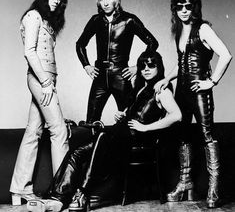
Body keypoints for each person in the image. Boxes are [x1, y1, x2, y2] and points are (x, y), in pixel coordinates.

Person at [26, 50, 182, 212]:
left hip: (137, 139)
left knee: (101, 136)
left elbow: (177, 115)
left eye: (151, 65)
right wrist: (124, 114)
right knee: (78, 151)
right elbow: (139, 112)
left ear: (159, 67)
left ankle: (82, 193)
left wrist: (145, 127)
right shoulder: (141, 88)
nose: (146, 69)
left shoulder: (162, 90)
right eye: (142, 66)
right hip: (121, 135)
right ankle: (56, 199)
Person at [154, 0, 232, 208]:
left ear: (194, 7)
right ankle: (185, 183)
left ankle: (213, 188)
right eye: (179, 7)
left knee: (207, 135)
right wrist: (167, 79)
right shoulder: (179, 29)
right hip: (182, 90)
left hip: (200, 91)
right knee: (182, 134)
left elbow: (226, 55)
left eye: (188, 6)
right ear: (175, 9)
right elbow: (182, 64)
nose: (184, 11)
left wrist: (212, 81)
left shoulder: (203, 28)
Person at [10, 0, 69, 205]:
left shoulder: (46, 20)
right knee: (59, 130)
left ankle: (19, 189)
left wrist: (49, 80)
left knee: (33, 131)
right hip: (40, 79)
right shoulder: (33, 16)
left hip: (46, 79)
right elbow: (30, 52)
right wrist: (45, 82)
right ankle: (62, 189)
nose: (57, 1)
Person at [76, 0, 159, 123]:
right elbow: (80, 44)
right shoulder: (95, 20)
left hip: (121, 76)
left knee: (128, 119)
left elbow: (153, 42)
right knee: (91, 121)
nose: (106, 3)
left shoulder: (129, 20)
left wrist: (137, 68)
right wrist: (87, 66)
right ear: (98, 1)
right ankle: (94, 145)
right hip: (100, 77)